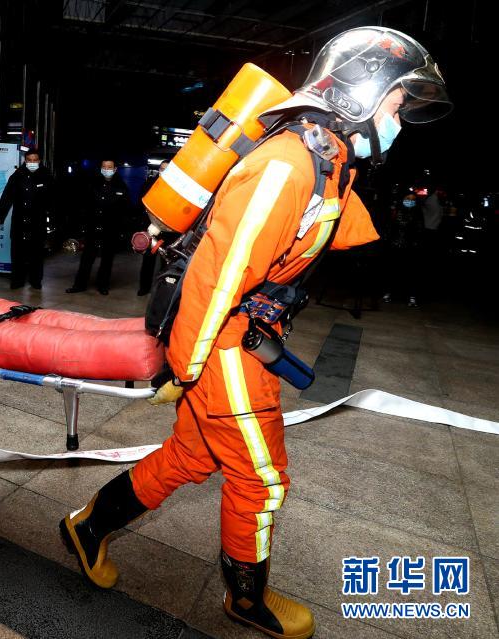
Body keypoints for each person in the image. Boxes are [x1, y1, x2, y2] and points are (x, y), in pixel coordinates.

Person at [59, 27, 449, 639]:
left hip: (237, 331)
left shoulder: (326, 161)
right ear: (361, 94)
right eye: (397, 106)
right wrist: (185, 368)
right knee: (261, 479)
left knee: (191, 456)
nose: (399, 123)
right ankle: (246, 600)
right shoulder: (286, 166)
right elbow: (217, 279)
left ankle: (87, 528)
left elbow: (338, 230)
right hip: (222, 342)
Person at [66, 159, 131, 295]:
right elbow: (83, 206)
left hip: (110, 229)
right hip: (92, 227)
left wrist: (122, 231)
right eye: (104, 167)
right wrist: (82, 225)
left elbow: (125, 211)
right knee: (86, 258)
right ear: (101, 168)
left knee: (107, 259)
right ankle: (79, 285)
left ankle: (103, 285)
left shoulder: (121, 187)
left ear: (115, 169)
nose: (106, 169)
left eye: (109, 167)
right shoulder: (92, 184)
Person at [0, 148, 54, 289]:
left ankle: (36, 280)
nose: (32, 162)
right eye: (29, 160)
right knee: (17, 252)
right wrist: (0, 217)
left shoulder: (46, 176)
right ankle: (17, 280)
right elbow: (7, 196)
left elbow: (52, 200)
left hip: (37, 220)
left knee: (36, 253)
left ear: (39, 161)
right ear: (25, 161)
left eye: (35, 160)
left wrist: (52, 220)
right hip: (19, 220)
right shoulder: (17, 175)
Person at [382, 192, 425, 307]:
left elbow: (419, 231)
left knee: (411, 273)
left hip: (410, 248)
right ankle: (388, 293)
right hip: (395, 246)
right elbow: (389, 228)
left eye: (412, 199)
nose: (409, 201)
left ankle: (412, 297)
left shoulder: (418, 214)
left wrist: (415, 244)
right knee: (392, 271)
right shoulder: (395, 212)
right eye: (407, 198)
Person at [137, 160, 170, 296]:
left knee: (166, 261)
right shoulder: (149, 184)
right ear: (158, 170)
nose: (164, 171)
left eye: (167, 169)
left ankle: (163, 290)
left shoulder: (177, 187)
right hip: (151, 228)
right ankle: (144, 288)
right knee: (148, 260)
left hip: (168, 231)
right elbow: (141, 203)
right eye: (162, 169)